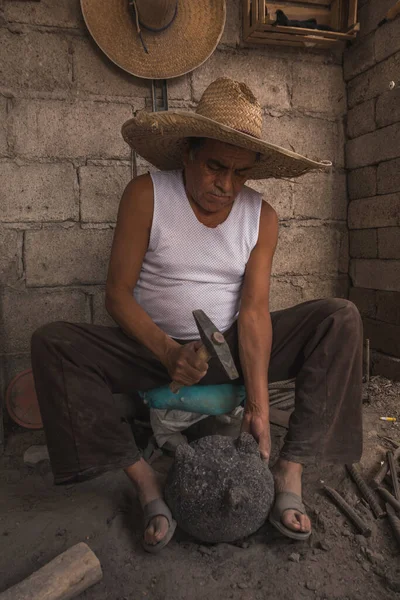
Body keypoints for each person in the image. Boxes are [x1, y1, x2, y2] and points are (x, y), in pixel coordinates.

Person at [31, 77, 363, 553]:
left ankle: (289, 471)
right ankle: (145, 483)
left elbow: (253, 311)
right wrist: (166, 351)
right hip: (154, 349)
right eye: (214, 166)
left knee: (340, 318)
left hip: (231, 345)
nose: (225, 184)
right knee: (52, 342)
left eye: (239, 172)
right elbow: (117, 295)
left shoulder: (261, 217)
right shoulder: (147, 195)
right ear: (188, 151)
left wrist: (259, 408)